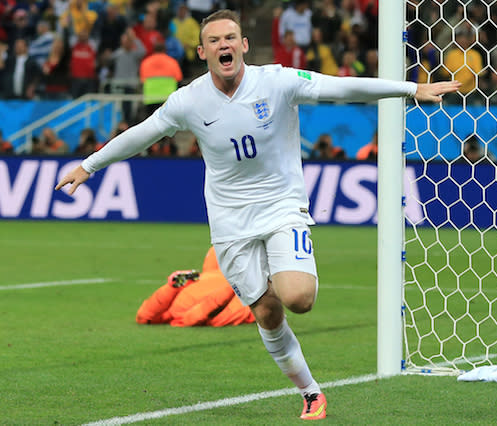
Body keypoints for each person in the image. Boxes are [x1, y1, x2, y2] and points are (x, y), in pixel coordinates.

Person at [55, 9, 460, 420]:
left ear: (244, 45)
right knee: (267, 311)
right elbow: (142, 132)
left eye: (231, 37)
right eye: (214, 41)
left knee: (298, 298)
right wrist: (89, 166)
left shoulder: (278, 81)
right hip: (230, 223)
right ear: (202, 51)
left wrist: (409, 89)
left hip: (281, 207)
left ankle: (285, 266)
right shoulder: (189, 100)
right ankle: (311, 392)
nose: (224, 45)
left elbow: (340, 87)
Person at [136, 246, 255, 327]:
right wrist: (234, 284)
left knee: (222, 244)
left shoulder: (176, 312)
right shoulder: (185, 318)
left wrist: (171, 288)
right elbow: (209, 307)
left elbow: (144, 315)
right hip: (245, 293)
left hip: (222, 279)